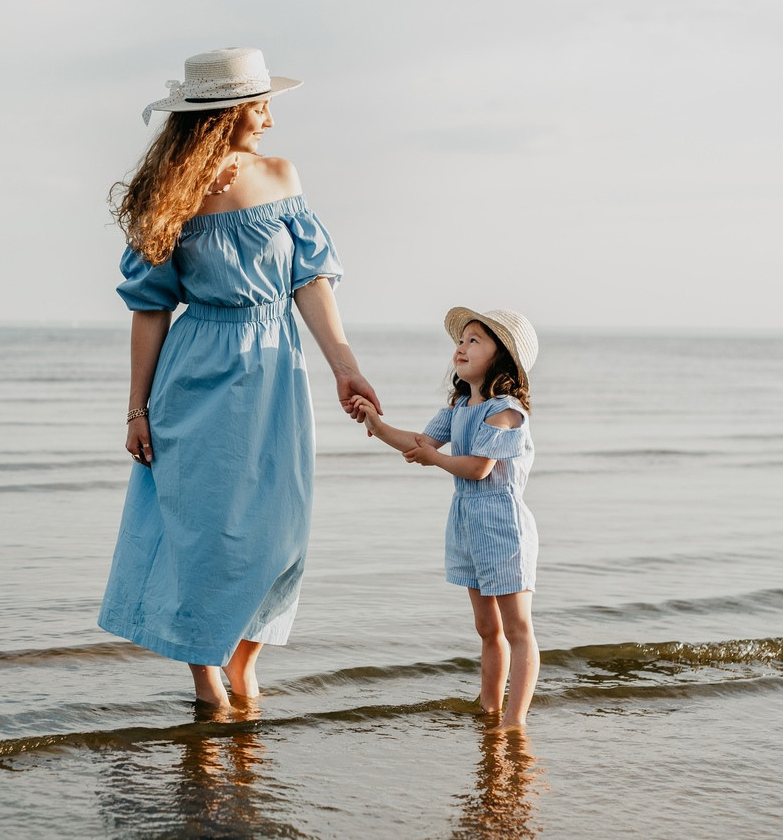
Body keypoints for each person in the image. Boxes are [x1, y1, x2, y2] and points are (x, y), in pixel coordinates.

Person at [100, 46, 381, 709]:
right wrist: (136, 409)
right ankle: (207, 680)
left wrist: (346, 366)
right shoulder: (169, 194)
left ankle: (243, 659)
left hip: (276, 367)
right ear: (222, 113)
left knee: (281, 533)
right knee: (199, 530)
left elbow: (309, 280)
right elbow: (149, 308)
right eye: (260, 106)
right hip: (197, 372)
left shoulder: (281, 176)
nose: (269, 120)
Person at [351, 307, 540, 728]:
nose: (462, 346)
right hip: (468, 526)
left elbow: (479, 467)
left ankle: (515, 720)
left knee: (517, 629)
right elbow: (421, 441)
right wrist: (377, 425)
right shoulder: (459, 404)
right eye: (462, 339)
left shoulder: (505, 409)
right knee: (486, 628)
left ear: (502, 358)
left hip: (503, 527)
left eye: (475, 340)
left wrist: (434, 458)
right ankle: (489, 707)